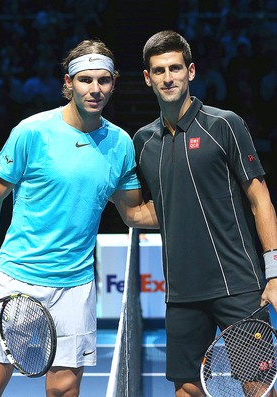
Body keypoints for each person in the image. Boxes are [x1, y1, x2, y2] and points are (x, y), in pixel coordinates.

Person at [0, 39, 157, 397]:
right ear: (69, 82)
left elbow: (134, 212)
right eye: (85, 80)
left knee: (63, 389)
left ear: (114, 82)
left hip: (75, 288)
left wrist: (195, 209)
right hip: (16, 279)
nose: (95, 89)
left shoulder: (120, 144)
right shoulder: (32, 132)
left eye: (103, 80)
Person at [133, 30, 277, 397]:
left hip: (238, 284)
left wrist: (273, 273)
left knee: (258, 387)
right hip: (182, 292)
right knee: (187, 389)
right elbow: (156, 210)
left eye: (176, 68)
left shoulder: (223, 124)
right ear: (148, 78)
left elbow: (260, 199)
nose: (168, 77)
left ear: (191, 71)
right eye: (159, 70)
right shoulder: (143, 142)